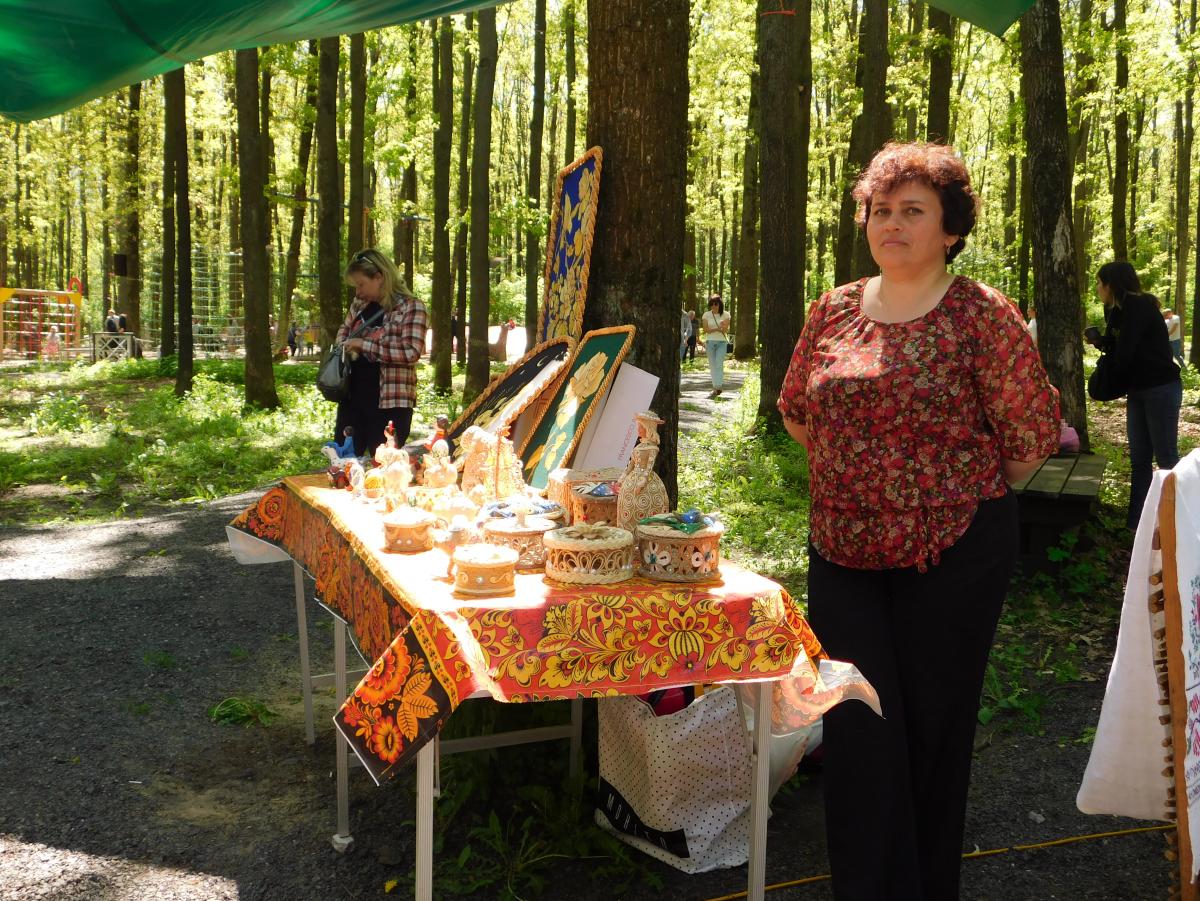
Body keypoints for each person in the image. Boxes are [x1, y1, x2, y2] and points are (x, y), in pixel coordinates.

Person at [777, 142, 1060, 899]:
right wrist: (864, 476)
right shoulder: (833, 309)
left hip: (955, 557)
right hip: (842, 554)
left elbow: (1030, 436)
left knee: (934, 733)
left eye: (913, 211)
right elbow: (797, 412)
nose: (892, 224)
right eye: (881, 210)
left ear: (950, 229)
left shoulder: (980, 313)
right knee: (857, 730)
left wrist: (945, 491)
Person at [1090, 261, 1181, 529]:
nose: (1097, 288)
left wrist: (1107, 381)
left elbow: (1125, 353)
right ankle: (1137, 525)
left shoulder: (1138, 306)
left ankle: (1176, 525)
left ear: (1111, 284)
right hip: (1138, 390)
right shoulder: (1117, 310)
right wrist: (1101, 341)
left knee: (1166, 459)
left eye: (1100, 283)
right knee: (1139, 461)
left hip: (1160, 388)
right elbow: (1120, 348)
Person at [335, 248, 428, 458]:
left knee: (385, 467)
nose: (358, 291)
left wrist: (363, 345)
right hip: (352, 401)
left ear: (379, 277)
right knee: (343, 462)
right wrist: (347, 344)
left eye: (361, 284)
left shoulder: (412, 307)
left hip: (391, 405)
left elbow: (411, 352)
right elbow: (343, 333)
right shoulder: (359, 305)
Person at [701, 296, 730, 399]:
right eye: (712, 304)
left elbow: (725, 330)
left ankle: (718, 386)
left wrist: (723, 326)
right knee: (712, 365)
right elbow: (705, 330)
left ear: (720, 304)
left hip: (722, 342)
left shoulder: (726, 314)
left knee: (719, 363)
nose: (714, 306)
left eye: (716, 304)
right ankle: (715, 387)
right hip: (710, 342)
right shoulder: (706, 315)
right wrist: (718, 328)